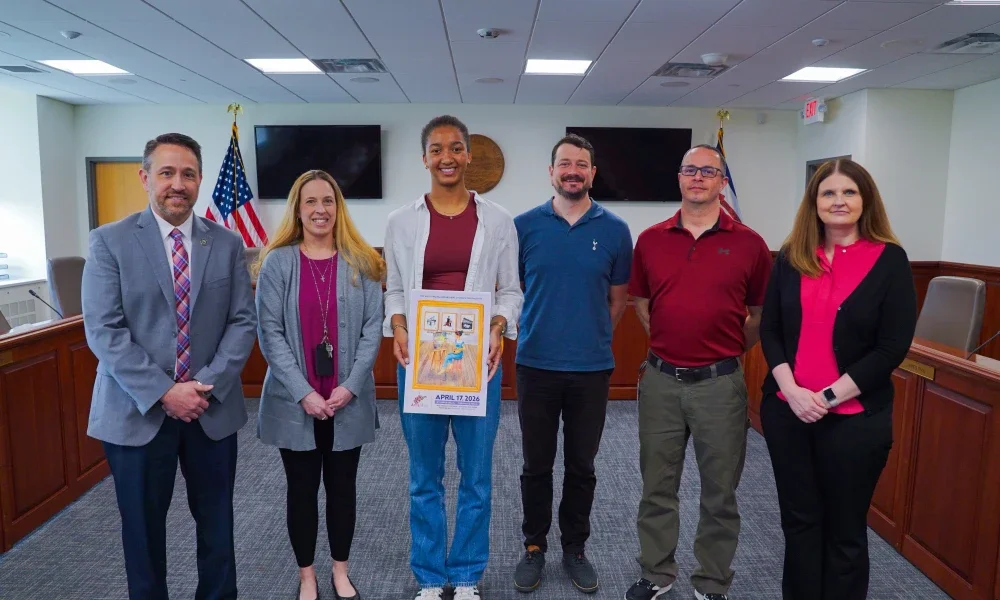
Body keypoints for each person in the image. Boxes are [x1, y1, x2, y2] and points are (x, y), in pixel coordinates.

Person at [81, 132, 257, 600]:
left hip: (210, 410)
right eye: (167, 173)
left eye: (188, 174)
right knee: (142, 531)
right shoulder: (109, 242)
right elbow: (104, 331)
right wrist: (165, 392)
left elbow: (243, 322)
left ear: (199, 181)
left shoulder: (225, 242)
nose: (177, 184)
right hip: (135, 413)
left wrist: (202, 387)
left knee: (217, 525)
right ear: (145, 178)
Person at [758, 159, 917, 600]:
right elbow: (770, 329)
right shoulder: (792, 256)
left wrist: (825, 398)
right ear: (814, 202)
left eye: (848, 192)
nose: (838, 201)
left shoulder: (889, 260)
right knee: (800, 521)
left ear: (866, 201)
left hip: (854, 419)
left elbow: (891, 347)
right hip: (789, 413)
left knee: (844, 528)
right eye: (828, 193)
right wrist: (791, 392)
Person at [383, 114, 522, 600]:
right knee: (424, 476)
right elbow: (395, 289)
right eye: (438, 148)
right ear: (424, 158)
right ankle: (429, 576)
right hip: (417, 364)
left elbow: (511, 291)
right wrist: (398, 326)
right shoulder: (401, 221)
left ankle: (465, 576)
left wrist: (499, 329)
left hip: (477, 365)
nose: (447, 157)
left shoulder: (499, 221)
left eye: (456, 148)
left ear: (468, 156)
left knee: (476, 476)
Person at [625, 145, 772, 600]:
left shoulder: (750, 243)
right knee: (657, 487)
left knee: (720, 492)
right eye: (690, 170)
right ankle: (656, 573)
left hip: (719, 385)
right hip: (661, 383)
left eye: (709, 171)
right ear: (679, 177)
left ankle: (711, 582)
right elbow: (642, 306)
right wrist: (673, 347)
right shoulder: (650, 239)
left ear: (722, 181)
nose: (698, 178)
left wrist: (720, 351)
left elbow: (758, 316)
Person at [254, 170, 385, 600]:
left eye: (327, 201)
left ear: (338, 207)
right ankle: (307, 574)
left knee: (343, 490)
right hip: (297, 401)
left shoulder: (362, 261)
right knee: (302, 490)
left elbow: (372, 329)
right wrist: (304, 392)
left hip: (347, 399)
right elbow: (269, 332)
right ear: (298, 209)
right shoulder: (278, 262)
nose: (319, 210)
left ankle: (340, 571)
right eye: (310, 202)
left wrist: (349, 386)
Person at [511, 134, 632, 594]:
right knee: (535, 464)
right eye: (565, 164)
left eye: (581, 164)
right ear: (551, 171)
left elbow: (617, 302)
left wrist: (589, 337)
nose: (573, 171)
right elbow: (514, 289)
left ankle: (575, 548)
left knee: (582, 465)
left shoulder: (616, 229)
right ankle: (534, 546)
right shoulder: (525, 226)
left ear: (592, 173)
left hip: (591, 368)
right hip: (535, 365)